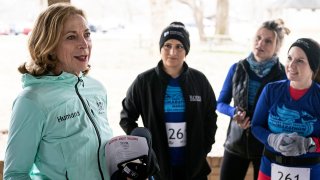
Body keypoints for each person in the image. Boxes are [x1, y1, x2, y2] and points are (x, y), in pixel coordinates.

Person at [3, 3, 114, 179]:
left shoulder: (96, 89)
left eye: (87, 35)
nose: (84, 44)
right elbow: (15, 174)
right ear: (50, 45)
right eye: (71, 37)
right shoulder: (32, 101)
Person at [119, 21, 218, 180]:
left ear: (186, 50)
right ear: (160, 48)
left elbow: (210, 116)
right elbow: (126, 118)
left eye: (179, 46)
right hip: (159, 167)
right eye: (167, 45)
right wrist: (144, 148)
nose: (173, 51)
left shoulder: (199, 80)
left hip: (194, 167)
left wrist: (204, 148)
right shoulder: (144, 81)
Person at [217, 19, 290, 180]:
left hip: (266, 146)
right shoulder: (237, 68)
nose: (260, 43)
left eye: (268, 41)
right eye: (258, 38)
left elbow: (285, 112)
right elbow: (220, 103)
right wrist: (233, 112)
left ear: (277, 47)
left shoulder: (283, 75)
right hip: (235, 144)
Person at [251, 38, 320, 180]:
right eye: (289, 58)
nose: (291, 65)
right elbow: (256, 126)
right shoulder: (271, 90)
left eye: (300, 61)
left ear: (313, 66)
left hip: (311, 171)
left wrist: (308, 144)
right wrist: (272, 139)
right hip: (269, 168)